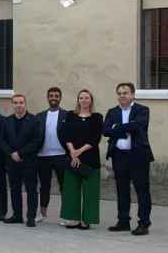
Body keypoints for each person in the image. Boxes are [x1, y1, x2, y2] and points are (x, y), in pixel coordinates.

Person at [103, 83, 154, 236]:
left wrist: (117, 128)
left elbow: (138, 126)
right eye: (119, 93)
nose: (122, 96)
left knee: (142, 191)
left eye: (125, 93)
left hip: (138, 156)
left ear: (132, 95)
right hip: (119, 156)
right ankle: (123, 221)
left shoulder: (142, 110)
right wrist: (125, 128)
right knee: (122, 190)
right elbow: (105, 131)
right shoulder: (112, 112)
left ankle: (143, 223)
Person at [60, 89, 103, 230]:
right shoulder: (70, 115)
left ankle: (86, 220)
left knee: (91, 191)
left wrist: (79, 151)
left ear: (91, 100)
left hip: (90, 158)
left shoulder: (97, 117)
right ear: (78, 100)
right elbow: (65, 134)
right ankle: (73, 219)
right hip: (73, 158)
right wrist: (72, 152)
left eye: (86, 98)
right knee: (71, 190)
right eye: (81, 98)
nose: (84, 100)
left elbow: (95, 138)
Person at [1, 94, 43, 226]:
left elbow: (37, 141)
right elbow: (2, 140)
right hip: (12, 161)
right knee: (14, 189)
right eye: (15, 103)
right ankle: (17, 215)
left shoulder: (34, 120)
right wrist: (11, 153)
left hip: (29, 161)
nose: (18, 105)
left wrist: (20, 153)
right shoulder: (7, 121)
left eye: (21, 102)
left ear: (25, 104)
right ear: (12, 105)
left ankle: (31, 217)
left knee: (31, 189)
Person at [36, 87, 68, 223]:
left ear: (60, 98)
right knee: (44, 186)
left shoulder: (67, 115)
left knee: (64, 186)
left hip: (61, 155)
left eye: (56, 96)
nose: (53, 98)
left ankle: (66, 215)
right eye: (51, 95)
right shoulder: (40, 116)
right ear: (47, 97)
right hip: (43, 156)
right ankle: (42, 214)